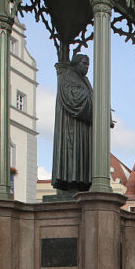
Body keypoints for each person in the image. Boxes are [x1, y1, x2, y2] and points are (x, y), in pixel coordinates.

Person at [51, 54, 93, 192]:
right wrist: (96, 102)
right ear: (76, 63)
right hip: (71, 127)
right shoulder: (66, 78)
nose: (87, 67)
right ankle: (71, 182)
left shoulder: (84, 80)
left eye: (88, 64)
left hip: (83, 128)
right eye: (84, 63)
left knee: (83, 154)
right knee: (72, 154)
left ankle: (82, 182)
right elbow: (74, 100)